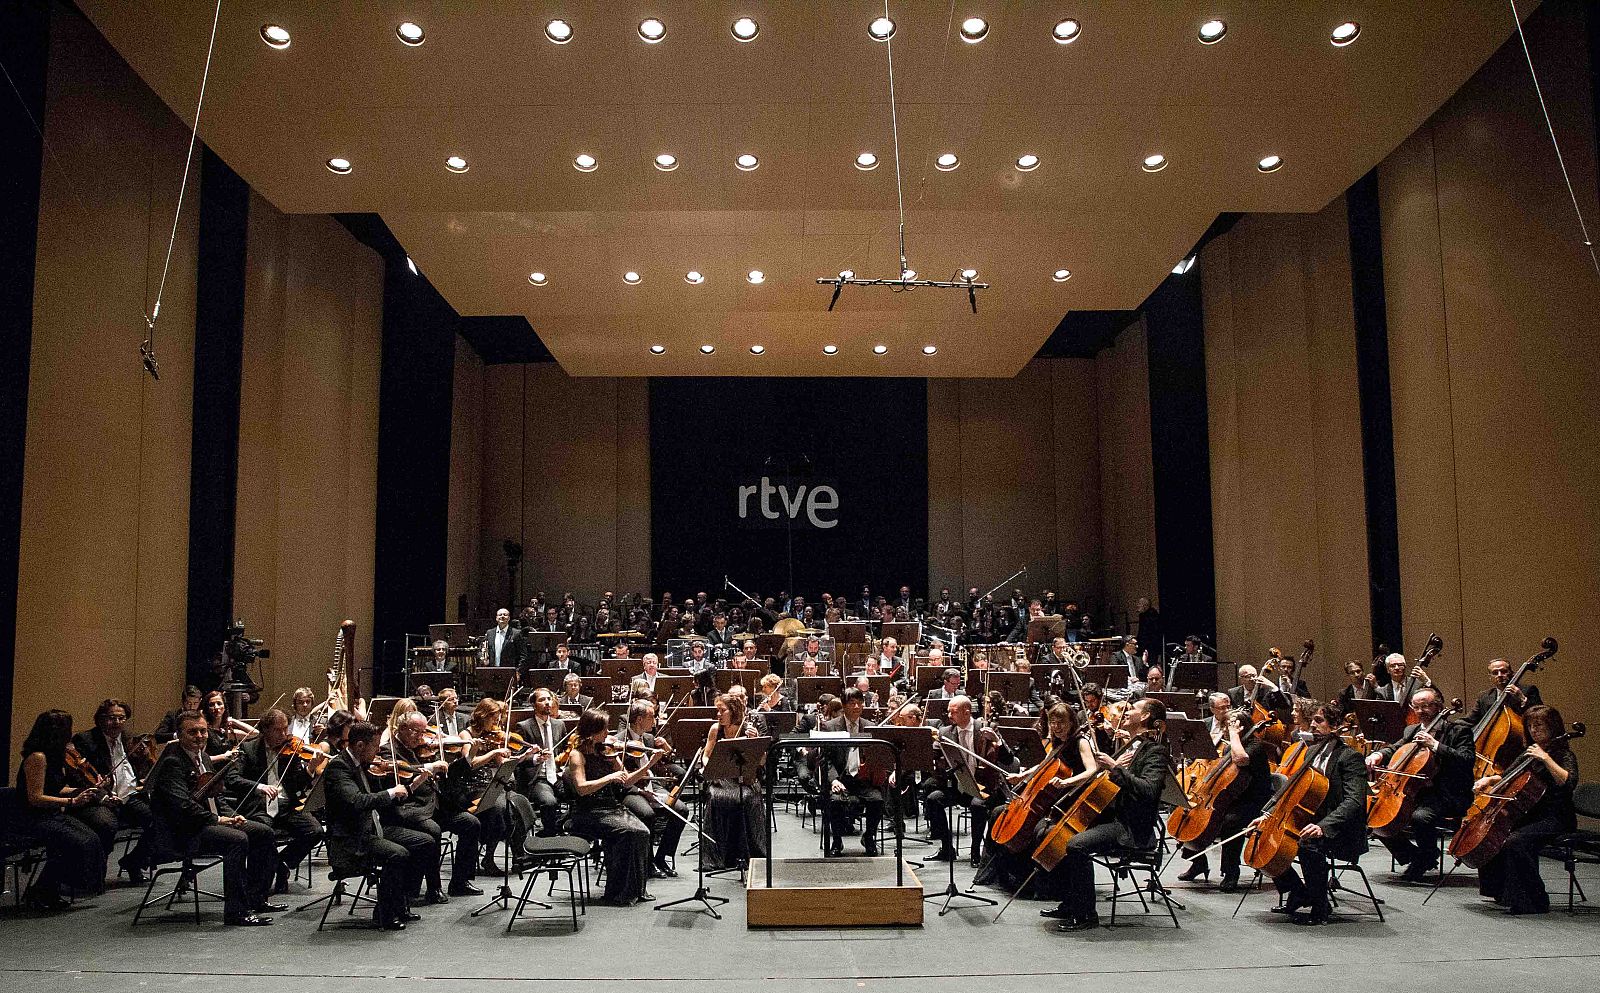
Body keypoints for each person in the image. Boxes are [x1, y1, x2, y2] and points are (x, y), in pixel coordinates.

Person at [1041, 698, 1170, 932]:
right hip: (1112, 815)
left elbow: (1149, 791)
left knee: (1076, 845)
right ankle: (1070, 902)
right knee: (1052, 831)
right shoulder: (1132, 744)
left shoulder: (1155, 751)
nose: (1126, 711)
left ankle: (1086, 914)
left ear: (1144, 717)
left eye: (1132, 709)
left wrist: (1114, 767)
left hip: (1131, 826)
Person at [146, 710, 280, 926]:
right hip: (183, 832)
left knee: (263, 832)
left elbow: (216, 799)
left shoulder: (205, 758)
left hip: (205, 823)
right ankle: (236, 912)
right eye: (192, 732)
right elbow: (183, 807)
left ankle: (256, 898)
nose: (199, 736)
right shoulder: (173, 763)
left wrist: (233, 816)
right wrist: (220, 821)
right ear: (179, 735)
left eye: (203, 731)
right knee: (237, 840)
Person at [322, 720, 434, 930]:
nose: (377, 751)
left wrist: (412, 785)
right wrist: (390, 792)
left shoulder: (364, 766)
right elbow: (357, 802)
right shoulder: (339, 767)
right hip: (351, 840)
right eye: (374, 746)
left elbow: (385, 798)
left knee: (425, 842)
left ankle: (401, 903)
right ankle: (384, 913)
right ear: (360, 746)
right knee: (397, 854)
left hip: (371, 830)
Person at [975, 703, 1097, 893]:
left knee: (1038, 830)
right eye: (1053, 722)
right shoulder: (1057, 743)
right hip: (1051, 797)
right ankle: (999, 872)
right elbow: (1043, 764)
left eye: (1061, 723)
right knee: (999, 812)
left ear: (1071, 722)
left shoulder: (1081, 741)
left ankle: (1037, 883)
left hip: (1069, 799)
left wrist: (1067, 782)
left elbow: (1092, 770)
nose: (1056, 727)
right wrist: (1022, 777)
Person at [1267, 699, 1368, 926]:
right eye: (1311, 720)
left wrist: (1324, 826)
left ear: (1334, 726)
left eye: (1319, 720)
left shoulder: (1349, 757)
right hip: (1312, 821)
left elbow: (1355, 801)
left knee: (1307, 844)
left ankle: (1320, 906)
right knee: (1266, 840)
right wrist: (1267, 815)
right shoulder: (1310, 752)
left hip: (1341, 829)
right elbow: (1293, 791)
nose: (1312, 725)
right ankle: (1299, 891)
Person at [1472, 704, 1579, 915]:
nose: (1534, 730)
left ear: (1553, 727)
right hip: (1530, 814)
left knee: (1516, 841)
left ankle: (1535, 900)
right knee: (1496, 835)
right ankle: (1502, 892)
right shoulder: (1528, 753)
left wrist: (1545, 758)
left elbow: (1568, 782)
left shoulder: (1562, 754)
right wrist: (1489, 780)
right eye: (1530, 725)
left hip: (1556, 817)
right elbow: (1507, 776)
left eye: (1539, 725)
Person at [1366, 686, 1475, 882]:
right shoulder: (1412, 730)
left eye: (1426, 706)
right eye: (1416, 707)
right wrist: (1378, 754)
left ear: (1438, 706)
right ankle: (1418, 856)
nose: (1421, 711)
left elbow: (1466, 760)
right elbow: (1396, 748)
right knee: (1375, 815)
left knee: (1420, 817)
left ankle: (1424, 857)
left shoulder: (1458, 730)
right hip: (1416, 792)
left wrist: (1435, 745)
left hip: (1447, 794)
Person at [1176, 694, 1275, 891]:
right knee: (1188, 813)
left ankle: (1231, 872)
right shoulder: (1233, 745)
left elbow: (1240, 759)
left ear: (1242, 728)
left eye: (1231, 727)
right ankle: (1198, 863)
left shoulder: (1254, 746)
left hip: (1254, 802)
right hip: (1233, 797)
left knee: (1230, 822)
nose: (1226, 731)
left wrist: (1234, 735)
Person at [14, 710, 106, 911]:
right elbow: (35, 797)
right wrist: (72, 801)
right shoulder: (37, 757)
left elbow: (56, 788)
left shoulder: (55, 756)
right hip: (32, 817)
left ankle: (51, 888)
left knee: (90, 837)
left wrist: (86, 790)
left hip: (51, 813)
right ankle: (42, 890)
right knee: (75, 842)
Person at [566, 708, 660, 905]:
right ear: (592, 731)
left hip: (611, 806)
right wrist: (609, 778)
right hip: (588, 811)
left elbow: (627, 781)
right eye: (604, 729)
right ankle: (617, 892)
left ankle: (635, 889)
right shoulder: (577, 755)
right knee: (628, 832)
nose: (608, 734)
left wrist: (649, 765)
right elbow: (582, 789)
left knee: (642, 831)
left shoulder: (608, 751)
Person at [229, 708, 325, 895]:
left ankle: (282, 863)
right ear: (265, 730)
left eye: (285, 729)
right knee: (265, 835)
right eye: (277, 730)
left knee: (315, 831)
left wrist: (310, 770)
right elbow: (232, 779)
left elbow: (297, 784)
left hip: (286, 805)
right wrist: (260, 787)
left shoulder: (291, 750)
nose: (283, 735)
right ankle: (259, 887)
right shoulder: (248, 749)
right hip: (259, 806)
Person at [388, 712, 483, 900]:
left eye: (424, 732)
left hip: (437, 806)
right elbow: (401, 773)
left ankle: (460, 882)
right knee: (433, 829)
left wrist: (467, 758)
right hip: (411, 809)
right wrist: (429, 767)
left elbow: (449, 776)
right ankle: (433, 887)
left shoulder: (422, 748)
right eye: (417, 732)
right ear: (403, 728)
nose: (422, 737)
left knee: (471, 823)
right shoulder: (389, 750)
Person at [68, 697, 154, 881]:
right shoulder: (86, 740)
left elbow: (135, 772)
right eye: (111, 718)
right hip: (98, 799)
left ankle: (134, 861)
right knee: (106, 824)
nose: (117, 723)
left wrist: (144, 760)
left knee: (159, 819)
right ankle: (94, 872)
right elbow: (79, 777)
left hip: (129, 796)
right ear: (100, 719)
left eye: (121, 718)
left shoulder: (128, 738)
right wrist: (104, 796)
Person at [926, 694, 1017, 865]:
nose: (949, 716)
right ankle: (947, 849)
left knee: (978, 805)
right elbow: (937, 758)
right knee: (933, 800)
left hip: (984, 786)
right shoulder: (946, 732)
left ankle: (975, 851)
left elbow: (1008, 760)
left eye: (953, 712)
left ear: (966, 712)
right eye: (948, 712)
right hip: (958, 786)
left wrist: (997, 741)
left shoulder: (988, 728)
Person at [618, 699, 688, 877]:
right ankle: (647, 862)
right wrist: (643, 791)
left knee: (682, 810)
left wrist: (667, 749)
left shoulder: (648, 738)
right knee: (647, 814)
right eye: (652, 717)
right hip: (631, 790)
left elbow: (666, 763)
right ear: (639, 719)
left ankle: (662, 857)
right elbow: (623, 779)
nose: (655, 721)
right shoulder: (620, 741)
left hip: (651, 786)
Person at [702, 692, 767, 871]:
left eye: (722, 711)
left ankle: (746, 852)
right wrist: (710, 769)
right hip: (721, 778)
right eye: (717, 710)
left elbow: (761, 761)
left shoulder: (748, 728)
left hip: (744, 778)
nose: (718, 714)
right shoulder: (716, 729)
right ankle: (718, 855)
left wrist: (754, 741)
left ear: (733, 711)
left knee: (746, 798)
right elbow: (706, 755)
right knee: (716, 797)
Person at [821, 688, 887, 857]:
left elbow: (877, 757)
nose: (857, 707)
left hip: (863, 779)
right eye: (852, 703)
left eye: (860, 703)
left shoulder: (870, 727)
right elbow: (825, 760)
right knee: (834, 802)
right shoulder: (830, 727)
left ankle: (869, 837)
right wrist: (834, 780)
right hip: (841, 779)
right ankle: (836, 841)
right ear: (843, 705)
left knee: (877, 800)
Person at [514, 688, 566, 835]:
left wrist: (564, 760)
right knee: (549, 802)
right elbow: (517, 759)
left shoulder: (559, 725)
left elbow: (564, 750)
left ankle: (560, 828)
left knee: (582, 795)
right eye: (542, 700)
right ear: (533, 705)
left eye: (549, 699)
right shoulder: (523, 726)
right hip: (538, 778)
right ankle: (549, 838)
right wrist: (536, 759)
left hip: (557, 776)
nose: (547, 703)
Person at [1460, 657, 1543, 727]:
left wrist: (1522, 699)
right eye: (1495, 673)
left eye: (1503, 671)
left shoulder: (1528, 690)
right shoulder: (1484, 696)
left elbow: (1540, 715)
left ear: (1511, 673)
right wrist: (1449, 725)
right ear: (1490, 677)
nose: (1499, 675)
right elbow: (1469, 720)